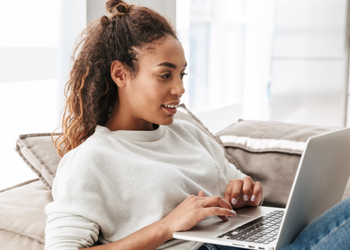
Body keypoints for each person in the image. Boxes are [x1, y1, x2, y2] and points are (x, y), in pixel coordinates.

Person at [45, 1, 350, 250]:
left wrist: (244, 195)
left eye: (182, 75)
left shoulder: (187, 133)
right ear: (121, 75)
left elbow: (235, 188)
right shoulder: (90, 161)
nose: (179, 89)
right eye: (166, 75)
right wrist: (167, 226)